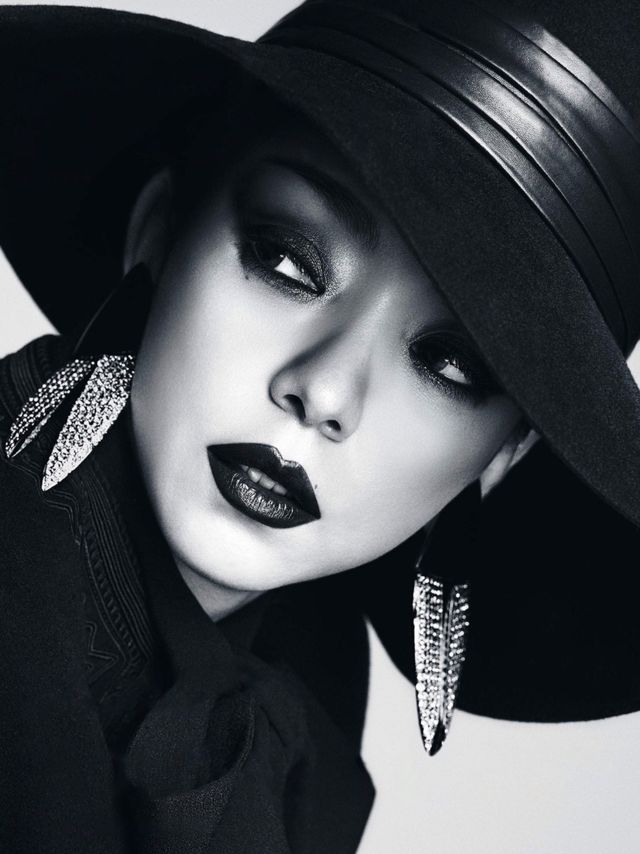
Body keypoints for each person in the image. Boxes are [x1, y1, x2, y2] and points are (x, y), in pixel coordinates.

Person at [1, 1, 640, 852]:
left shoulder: (306, 677)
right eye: (288, 261)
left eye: (452, 364)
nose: (327, 391)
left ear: (506, 452)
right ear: (157, 232)